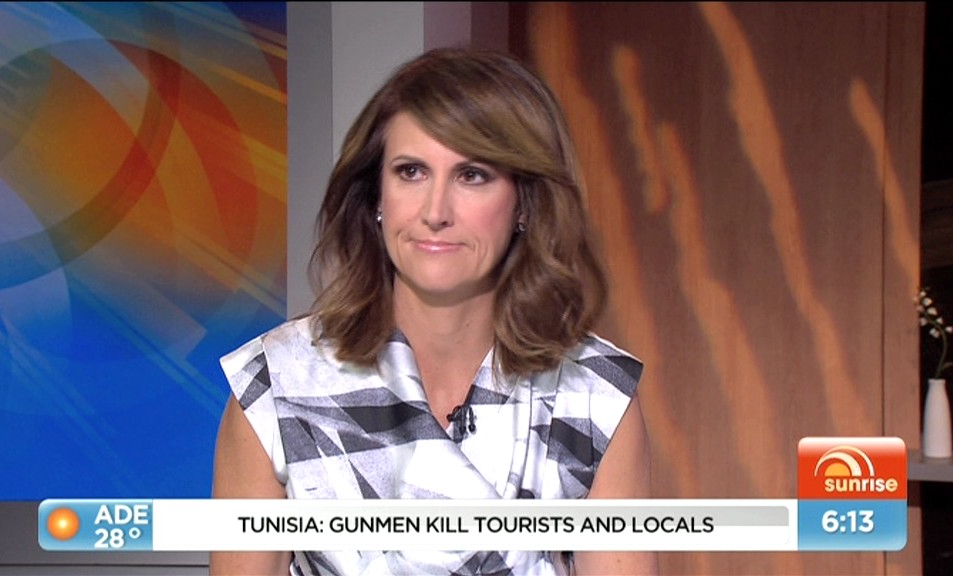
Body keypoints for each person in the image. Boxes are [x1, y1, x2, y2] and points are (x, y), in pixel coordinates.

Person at [211, 47, 657, 576]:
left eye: (472, 175)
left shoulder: (594, 396)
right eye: (411, 172)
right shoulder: (277, 385)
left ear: (524, 203)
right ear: (377, 196)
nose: (435, 212)